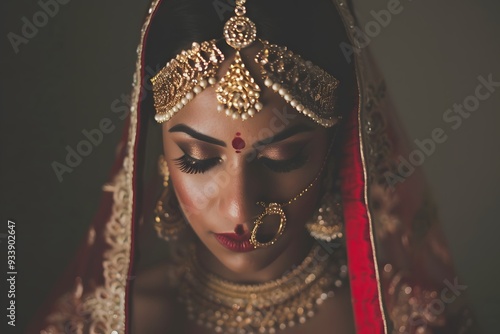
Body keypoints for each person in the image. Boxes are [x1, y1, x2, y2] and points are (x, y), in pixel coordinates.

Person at [30, 0, 477, 333]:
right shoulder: (102, 324)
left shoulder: (407, 320)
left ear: (338, 146)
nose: (239, 212)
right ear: (158, 154)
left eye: (284, 158)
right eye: (198, 159)